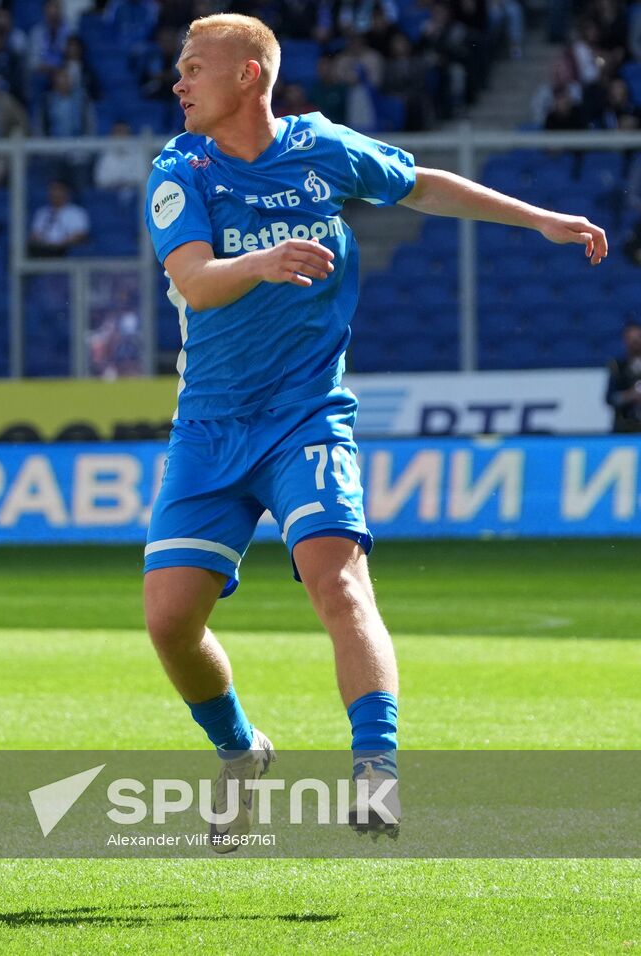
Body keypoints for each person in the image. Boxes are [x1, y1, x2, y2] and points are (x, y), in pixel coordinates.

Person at [141, 13, 606, 848]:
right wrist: (263, 259)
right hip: (209, 426)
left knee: (340, 586)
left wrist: (538, 219)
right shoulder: (181, 168)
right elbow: (198, 282)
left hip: (308, 415)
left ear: (249, 75)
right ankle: (240, 750)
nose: (178, 82)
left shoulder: (323, 149)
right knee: (170, 621)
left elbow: (418, 181)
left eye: (192, 68)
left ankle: (375, 772)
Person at [28, 179, 89, 257]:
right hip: (43, 248)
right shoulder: (41, 212)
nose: (55, 193)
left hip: (65, 249)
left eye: (58, 190)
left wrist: (59, 244)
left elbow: (80, 235)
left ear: (66, 192)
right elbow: (34, 234)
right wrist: (44, 243)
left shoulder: (77, 212)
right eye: (53, 190)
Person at [606, 322, 641, 432]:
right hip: (625, 428)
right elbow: (610, 398)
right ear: (625, 340)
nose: (635, 342)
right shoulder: (617, 366)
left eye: (638, 337)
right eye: (631, 338)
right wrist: (630, 395)